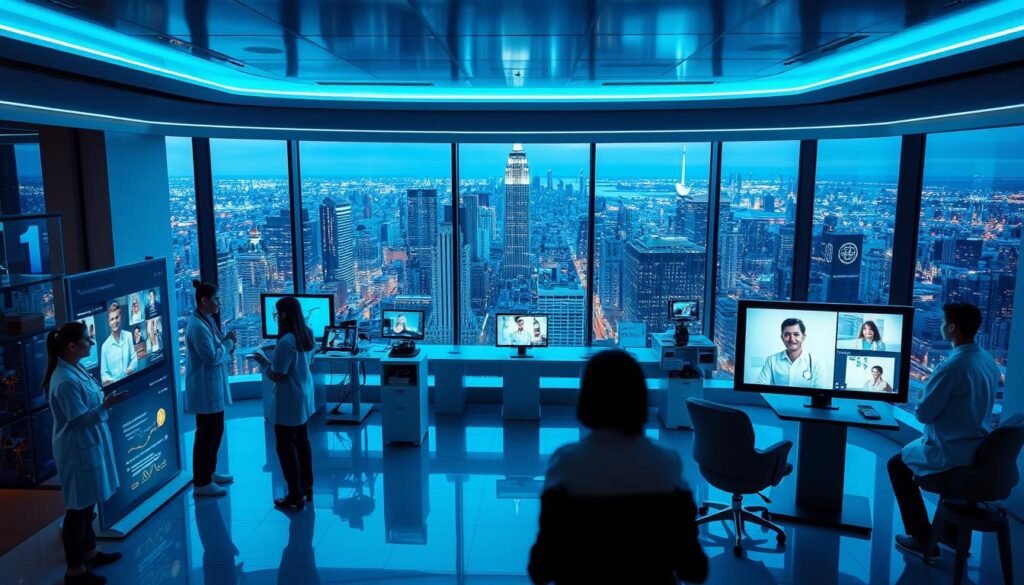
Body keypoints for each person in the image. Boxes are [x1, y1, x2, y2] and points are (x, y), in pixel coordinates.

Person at [529, 350, 707, 584]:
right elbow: (693, 570)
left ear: (587, 399)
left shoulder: (566, 463)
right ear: (640, 399)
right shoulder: (665, 462)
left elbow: (542, 570)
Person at [887, 302, 1000, 559]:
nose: (940, 326)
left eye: (943, 322)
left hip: (950, 450)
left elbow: (924, 413)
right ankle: (950, 533)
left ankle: (922, 538)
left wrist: (921, 398)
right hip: (976, 449)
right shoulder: (987, 361)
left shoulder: (951, 367)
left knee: (896, 466)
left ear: (952, 327)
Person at [45, 321, 129, 585]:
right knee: (77, 510)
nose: (91, 343)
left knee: (87, 503)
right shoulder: (65, 381)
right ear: (72, 346)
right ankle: (75, 570)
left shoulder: (74, 369)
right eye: (86, 340)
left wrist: (104, 404)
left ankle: (90, 551)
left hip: (87, 444)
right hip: (76, 450)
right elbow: (79, 419)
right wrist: (108, 405)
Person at [184, 281, 238, 498]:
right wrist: (228, 344)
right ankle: (201, 481)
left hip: (211, 386)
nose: (219, 303)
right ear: (204, 300)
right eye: (216, 299)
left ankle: (209, 472)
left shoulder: (206, 320)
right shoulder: (197, 327)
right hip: (204, 388)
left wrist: (225, 343)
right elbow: (211, 356)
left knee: (215, 431)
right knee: (206, 434)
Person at [264, 296, 316, 511]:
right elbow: (309, 362)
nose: (276, 319)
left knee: (286, 448)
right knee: (302, 443)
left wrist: (264, 363)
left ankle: (294, 494)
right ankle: (306, 488)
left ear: (284, 315)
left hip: (289, 399)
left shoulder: (286, 341)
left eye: (277, 314)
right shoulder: (307, 334)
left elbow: (278, 375)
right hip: (303, 393)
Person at [756, 317, 825, 387]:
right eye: (787, 335)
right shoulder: (771, 360)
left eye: (796, 334)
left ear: (803, 337)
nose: (791, 339)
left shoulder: (817, 363)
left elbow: (820, 391)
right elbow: (760, 387)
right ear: (782, 338)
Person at [100, 302, 137, 385]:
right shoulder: (105, 346)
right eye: (112, 319)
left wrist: (131, 368)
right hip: (115, 387)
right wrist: (111, 381)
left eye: (117, 317)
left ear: (121, 317)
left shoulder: (128, 335)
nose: (115, 321)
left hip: (130, 381)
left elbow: (134, 358)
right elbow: (104, 373)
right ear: (109, 322)